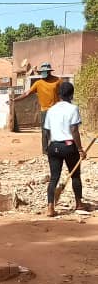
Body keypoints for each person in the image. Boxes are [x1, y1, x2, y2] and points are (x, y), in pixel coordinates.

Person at [44, 81, 87, 217]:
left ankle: (50, 207)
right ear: (71, 95)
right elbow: (74, 129)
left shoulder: (51, 110)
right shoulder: (73, 109)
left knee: (54, 178)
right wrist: (80, 149)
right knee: (75, 175)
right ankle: (79, 203)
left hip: (54, 146)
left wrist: (48, 148)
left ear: (59, 94)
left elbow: (46, 131)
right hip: (69, 146)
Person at [13, 62, 62, 152]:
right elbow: (27, 93)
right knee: (45, 131)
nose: (42, 73)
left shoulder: (57, 81)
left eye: (45, 72)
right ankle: (45, 150)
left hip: (56, 110)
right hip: (45, 111)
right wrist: (15, 100)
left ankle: (56, 148)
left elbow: (62, 93)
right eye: (41, 72)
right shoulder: (38, 83)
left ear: (49, 71)